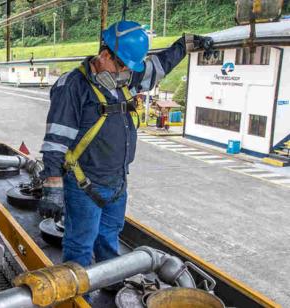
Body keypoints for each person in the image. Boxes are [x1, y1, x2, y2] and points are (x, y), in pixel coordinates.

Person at [38, 21, 213, 280]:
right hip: (85, 184)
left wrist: (185, 44)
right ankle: (76, 297)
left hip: (117, 182)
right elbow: (56, 140)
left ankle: (109, 282)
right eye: (122, 66)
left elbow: (159, 66)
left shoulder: (123, 79)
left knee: (109, 238)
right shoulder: (73, 86)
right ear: (105, 55)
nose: (126, 73)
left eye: (130, 68)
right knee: (80, 246)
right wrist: (53, 186)